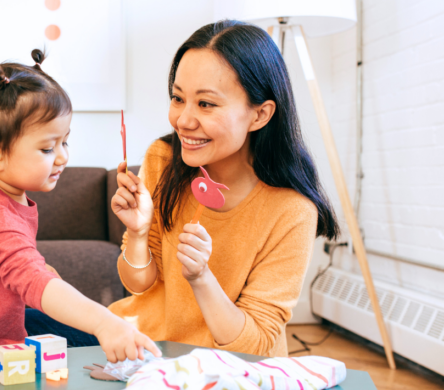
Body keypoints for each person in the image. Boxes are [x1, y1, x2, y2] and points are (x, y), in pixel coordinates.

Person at [0, 50, 160, 363]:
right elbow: (32, 278)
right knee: (91, 329)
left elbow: (4, 261)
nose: (63, 157)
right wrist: (104, 322)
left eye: (64, 142)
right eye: (47, 148)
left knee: (71, 328)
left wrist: (37, 270)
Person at [108, 21, 340, 357]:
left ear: (260, 114)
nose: (183, 120)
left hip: (232, 371)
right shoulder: (163, 160)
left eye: (206, 104)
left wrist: (201, 277)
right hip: (148, 351)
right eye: (178, 98)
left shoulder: (292, 211)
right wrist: (139, 233)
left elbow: (256, 344)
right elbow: (138, 284)